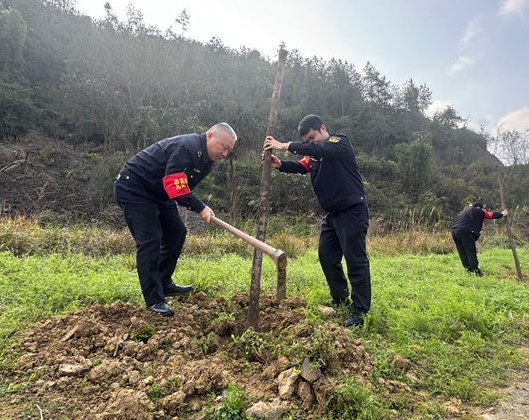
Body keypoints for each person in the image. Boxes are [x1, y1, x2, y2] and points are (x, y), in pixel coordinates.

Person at [114, 123, 237, 316]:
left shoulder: (206, 161)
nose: (225, 154)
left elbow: (181, 187)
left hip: (159, 194)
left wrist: (198, 205)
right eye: (224, 147)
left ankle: (164, 283)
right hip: (135, 188)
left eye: (229, 150)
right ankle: (154, 300)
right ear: (210, 136)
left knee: (176, 233)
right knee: (150, 240)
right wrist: (199, 207)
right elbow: (174, 184)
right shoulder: (187, 147)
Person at [263, 114, 370, 327]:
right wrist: (280, 164)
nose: (311, 143)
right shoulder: (314, 154)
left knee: (355, 260)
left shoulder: (339, 143)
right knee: (326, 256)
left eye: (312, 137)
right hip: (331, 215)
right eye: (307, 140)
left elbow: (319, 149)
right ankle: (340, 297)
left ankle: (359, 311)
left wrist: (286, 145)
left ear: (323, 128)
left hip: (351, 210)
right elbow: (303, 166)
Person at [450, 202, 508, 276]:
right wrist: (502, 214)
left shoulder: (463, 212)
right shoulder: (478, 211)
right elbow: (490, 215)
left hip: (454, 231)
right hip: (465, 232)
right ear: (478, 207)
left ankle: (468, 270)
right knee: (471, 252)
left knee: (462, 252)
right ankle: (476, 272)